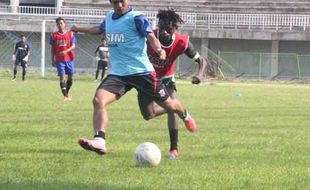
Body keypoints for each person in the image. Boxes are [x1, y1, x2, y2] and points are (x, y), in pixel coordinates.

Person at [71, 0, 196, 156]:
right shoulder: (109, 17)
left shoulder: (136, 17)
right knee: (98, 100)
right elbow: (99, 29)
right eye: (115, 2)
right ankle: (100, 140)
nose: (119, 5)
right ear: (111, 2)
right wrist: (79, 29)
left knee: (170, 105)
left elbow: (150, 36)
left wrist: (159, 50)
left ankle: (184, 114)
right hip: (118, 74)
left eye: (122, 2)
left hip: (142, 73)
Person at [137, 8, 207, 160]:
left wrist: (199, 75)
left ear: (175, 29)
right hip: (147, 79)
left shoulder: (182, 42)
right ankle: (174, 106)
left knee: (172, 109)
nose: (164, 33)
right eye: (162, 28)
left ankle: (174, 150)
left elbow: (202, 60)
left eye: (168, 30)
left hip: (167, 79)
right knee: (148, 115)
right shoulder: (149, 37)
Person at [50, 17, 77, 101]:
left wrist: (66, 51)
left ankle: (67, 93)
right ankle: (65, 96)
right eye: (58, 24)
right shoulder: (53, 35)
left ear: (64, 24)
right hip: (59, 60)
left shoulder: (70, 34)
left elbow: (73, 45)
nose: (60, 25)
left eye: (61, 23)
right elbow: (52, 48)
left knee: (70, 77)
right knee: (62, 77)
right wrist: (52, 59)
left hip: (69, 59)